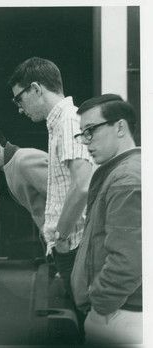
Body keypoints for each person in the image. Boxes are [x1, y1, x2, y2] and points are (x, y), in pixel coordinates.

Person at [7, 57, 94, 296]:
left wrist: (61, 238)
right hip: (70, 246)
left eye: (19, 98)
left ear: (35, 89)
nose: (19, 107)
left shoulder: (69, 121)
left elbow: (83, 186)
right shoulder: (60, 123)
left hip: (74, 246)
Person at [71, 94, 141, 345]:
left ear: (120, 127)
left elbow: (128, 260)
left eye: (90, 130)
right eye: (82, 133)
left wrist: (100, 306)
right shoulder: (122, 171)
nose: (86, 141)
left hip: (120, 317)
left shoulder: (127, 180)